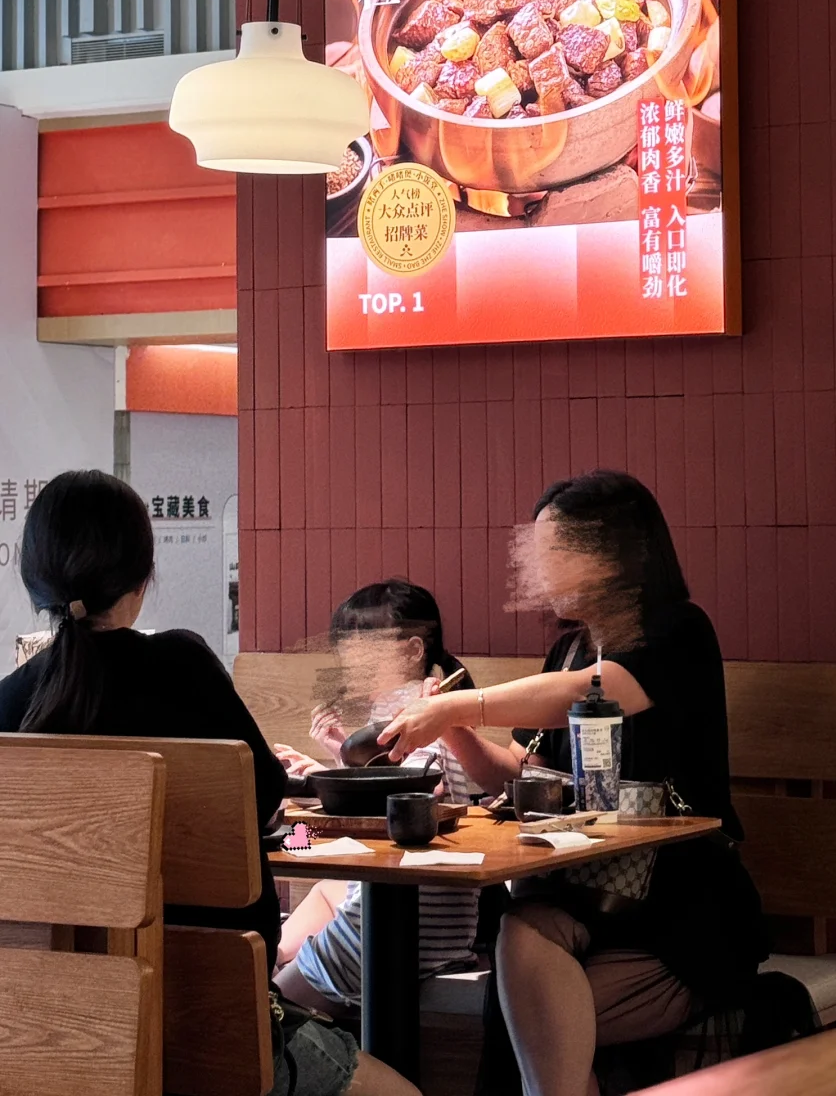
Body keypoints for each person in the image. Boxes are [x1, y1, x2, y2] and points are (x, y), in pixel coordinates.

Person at [0, 470, 419, 1096]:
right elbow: (268, 811)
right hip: (212, 1020)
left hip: (46, 1032)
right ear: (142, 578)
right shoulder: (182, 664)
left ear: (34, 580)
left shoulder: (10, 705)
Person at [379, 471, 769, 1096]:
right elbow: (514, 771)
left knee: (530, 1006)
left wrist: (457, 705)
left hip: (680, 911)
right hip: (584, 896)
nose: (540, 569)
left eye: (556, 550)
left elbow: (592, 693)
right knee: (521, 945)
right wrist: (449, 729)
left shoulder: (677, 633)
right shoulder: (567, 650)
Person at [273, 581, 480, 1012]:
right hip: (443, 926)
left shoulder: (419, 714)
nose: (349, 659)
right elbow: (393, 790)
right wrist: (338, 762)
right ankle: (273, 963)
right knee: (323, 892)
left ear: (412, 651)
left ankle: (275, 984)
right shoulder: (406, 709)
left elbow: (407, 801)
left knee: (269, 1013)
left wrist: (324, 781)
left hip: (408, 924)